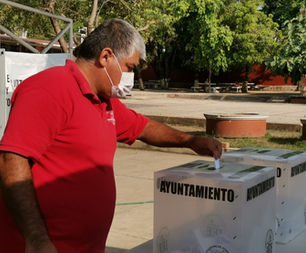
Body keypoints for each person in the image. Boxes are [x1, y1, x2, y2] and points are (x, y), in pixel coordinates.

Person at [0, 18, 222, 253]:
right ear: (106, 57)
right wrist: (36, 238)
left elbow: (143, 128)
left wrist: (190, 141)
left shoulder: (103, 101)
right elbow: (11, 159)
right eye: (130, 67)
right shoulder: (50, 89)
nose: (132, 77)